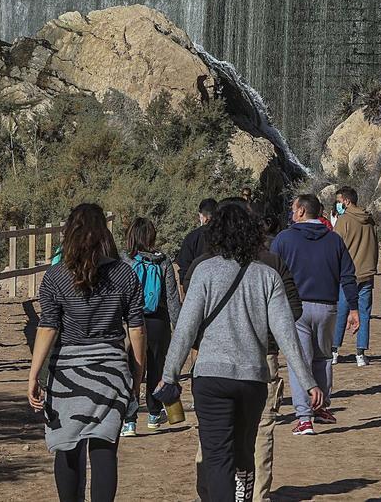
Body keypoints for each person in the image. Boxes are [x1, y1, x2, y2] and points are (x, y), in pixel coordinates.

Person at [161, 201, 323, 502]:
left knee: (218, 458)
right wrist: (308, 380)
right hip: (253, 378)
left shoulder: (204, 272)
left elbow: (185, 329)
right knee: (245, 454)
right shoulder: (267, 276)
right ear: (252, 234)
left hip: (211, 377)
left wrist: (169, 375)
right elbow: (286, 334)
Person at [28, 203, 147, 502]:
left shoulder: (55, 278)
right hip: (111, 372)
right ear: (103, 234)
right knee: (105, 449)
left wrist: (33, 375)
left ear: (69, 233)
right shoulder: (124, 274)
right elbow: (137, 329)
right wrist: (137, 374)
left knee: (67, 446)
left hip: (67, 374)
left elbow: (48, 327)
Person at [270, 194, 358, 436]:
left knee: (300, 362)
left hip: (295, 308)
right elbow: (348, 275)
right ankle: (321, 407)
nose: (290, 212)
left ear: (300, 212)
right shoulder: (334, 240)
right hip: (328, 307)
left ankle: (304, 416)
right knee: (323, 358)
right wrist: (353, 307)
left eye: (292, 207)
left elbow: (270, 272)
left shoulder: (284, 239)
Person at [121, 217, 181, 437]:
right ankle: (154, 414)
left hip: (130, 321)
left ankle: (129, 421)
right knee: (157, 367)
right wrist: (180, 328)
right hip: (158, 321)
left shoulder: (125, 260)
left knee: (131, 368)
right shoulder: (163, 261)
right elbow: (172, 298)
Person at [332, 186, 379, 367]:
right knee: (364, 313)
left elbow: (334, 246)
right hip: (366, 272)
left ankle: (334, 351)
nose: (337, 204)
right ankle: (360, 354)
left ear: (346, 201)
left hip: (347, 274)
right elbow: (375, 245)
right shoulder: (369, 220)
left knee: (341, 312)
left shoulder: (343, 221)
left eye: (338, 201)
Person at [177, 198, 218, 293]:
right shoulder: (227, 236)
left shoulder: (192, 237)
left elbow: (184, 268)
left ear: (202, 216)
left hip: (196, 290)